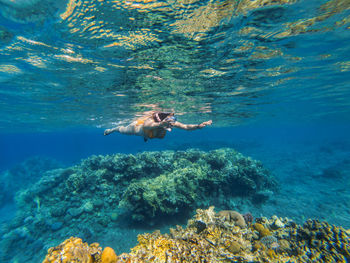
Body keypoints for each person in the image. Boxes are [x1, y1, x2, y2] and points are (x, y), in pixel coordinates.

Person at [104, 112, 212, 141]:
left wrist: (198, 126)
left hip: (149, 134)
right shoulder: (152, 120)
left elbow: (186, 127)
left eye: (170, 123)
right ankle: (112, 129)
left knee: (147, 136)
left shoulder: (170, 123)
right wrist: (160, 124)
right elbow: (147, 126)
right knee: (121, 130)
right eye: (168, 123)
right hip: (137, 129)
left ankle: (146, 138)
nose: (169, 126)